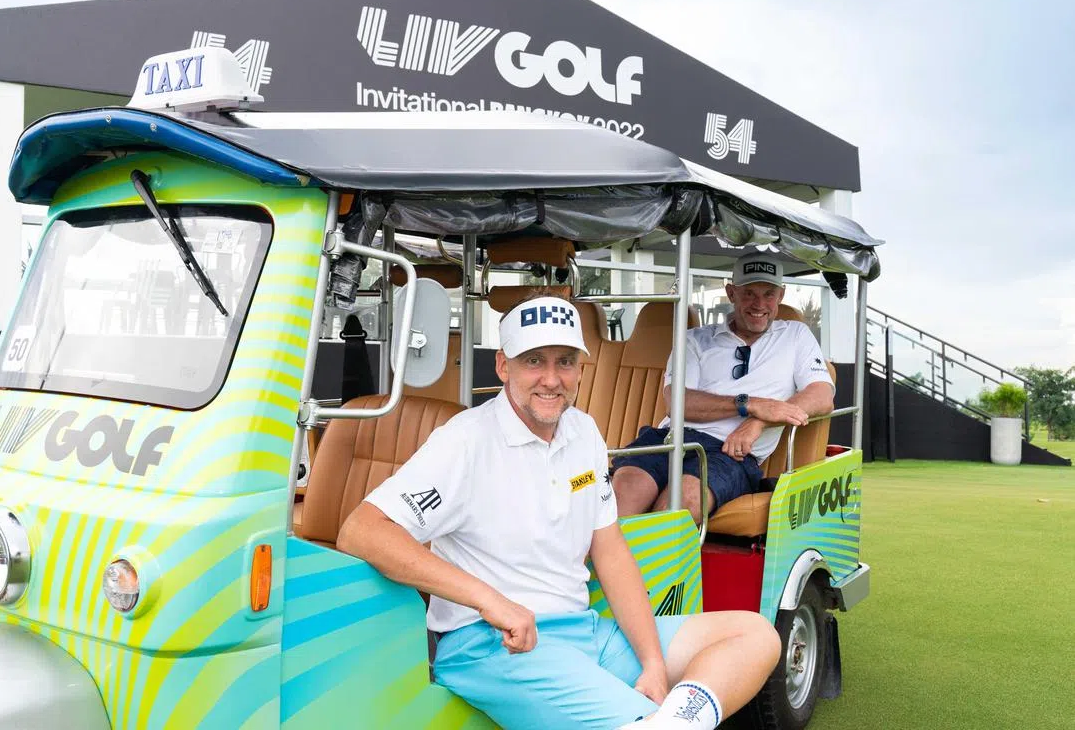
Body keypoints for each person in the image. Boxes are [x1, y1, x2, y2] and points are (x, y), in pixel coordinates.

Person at [338, 293, 779, 730]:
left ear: (580, 369)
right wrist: (491, 601)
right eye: (534, 361)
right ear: (503, 365)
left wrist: (652, 663)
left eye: (565, 361)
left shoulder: (583, 430)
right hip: (494, 645)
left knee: (755, 635)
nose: (551, 379)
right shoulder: (466, 440)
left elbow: (610, 553)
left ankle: (673, 722)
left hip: (584, 631)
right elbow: (362, 530)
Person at [611, 253, 835, 520]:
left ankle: (643, 560)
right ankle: (605, 561)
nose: (759, 304)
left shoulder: (795, 335)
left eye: (769, 294)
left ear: (781, 295)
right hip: (671, 438)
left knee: (681, 502)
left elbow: (822, 394)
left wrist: (758, 422)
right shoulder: (695, 340)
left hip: (731, 456)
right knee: (621, 494)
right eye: (749, 293)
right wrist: (750, 404)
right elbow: (677, 404)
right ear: (731, 293)